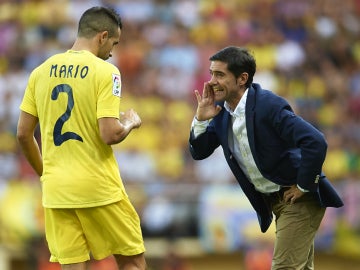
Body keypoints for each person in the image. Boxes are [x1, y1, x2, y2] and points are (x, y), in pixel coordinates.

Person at [189, 46, 343, 269]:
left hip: (298, 198)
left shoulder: (267, 105)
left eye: (220, 74)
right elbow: (199, 152)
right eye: (211, 73)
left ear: (242, 79)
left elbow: (315, 141)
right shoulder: (221, 111)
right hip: (275, 201)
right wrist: (201, 120)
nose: (211, 81)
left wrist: (304, 185)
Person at [16, 6, 146, 270]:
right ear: (102, 36)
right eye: (114, 43)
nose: (112, 52)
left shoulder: (40, 72)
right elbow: (109, 134)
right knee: (132, 261)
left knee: (72, 266)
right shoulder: (106, 72)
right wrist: (130, 122)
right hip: (98, 187)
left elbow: (23, 134)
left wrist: (45, 173)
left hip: (57, 190)